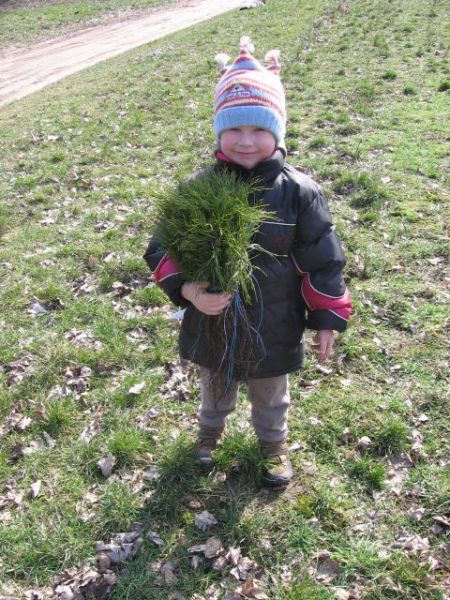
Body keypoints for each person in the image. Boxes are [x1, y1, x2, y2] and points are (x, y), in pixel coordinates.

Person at [144, 37, 351, 486]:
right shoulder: (198, 189)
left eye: (259, 128)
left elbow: (323, 260)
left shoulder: (300, 193)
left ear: (278, 130)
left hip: (276, 321)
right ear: (218, 131)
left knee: (271, 392)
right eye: (233, 128)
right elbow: (161, 249)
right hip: (213, 318)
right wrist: (189, 291)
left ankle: (273, 444)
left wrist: (327, 318)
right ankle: (209, 432)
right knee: (215, 384)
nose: (245, 141)